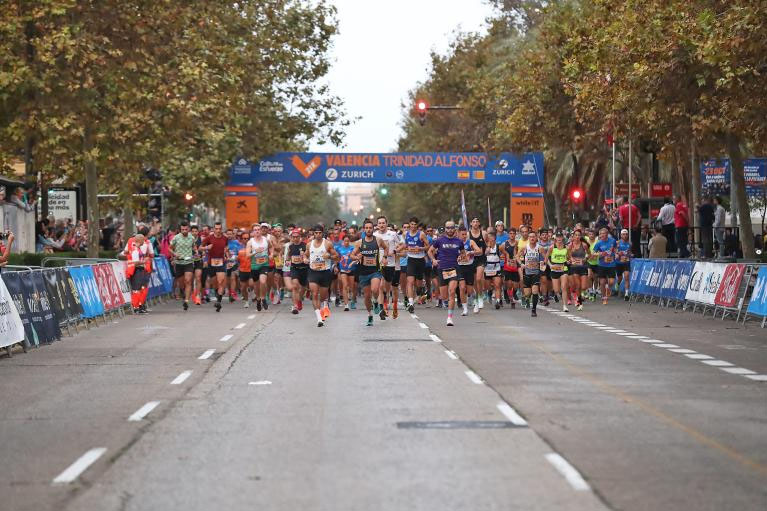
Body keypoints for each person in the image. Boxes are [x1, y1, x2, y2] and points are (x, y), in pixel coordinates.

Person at [351, 219, 388, 326]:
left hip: (375, 271)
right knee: (367, 296)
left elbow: (385, 248)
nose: (368, 230)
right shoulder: (359, 242)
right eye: (366, 228)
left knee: (375, 289)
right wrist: (356, 257)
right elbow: (352, 255)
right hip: (363, 273)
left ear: (373, 229)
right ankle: (370, 315)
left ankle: (376, 301)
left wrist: (385, 257)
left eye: (370, 228)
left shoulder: (378, 240)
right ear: (364, 229)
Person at [428, 221, 464, 326]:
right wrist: (433, 260)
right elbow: (430, 251)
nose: (450, 230)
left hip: (454, 268)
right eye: (447, 228)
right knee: (444, 296)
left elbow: (463, 253)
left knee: (452, 292)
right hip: (442, 269)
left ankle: (449, 318)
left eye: (452, 228)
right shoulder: (439, 240)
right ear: (445, 229)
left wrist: (461, 257)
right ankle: (446, 302)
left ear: (455, 229)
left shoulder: (459, 241)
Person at [307, 225, 338, 327]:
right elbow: (305, 255)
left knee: (323, 296)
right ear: (314, 234)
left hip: (325, 272)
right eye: (316, 233)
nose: (318, 234)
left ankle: (324, 305)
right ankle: (319, 318)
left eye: (320, 233)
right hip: (313, 271)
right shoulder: (309, 244)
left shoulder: (328, 244)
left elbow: (337, 257)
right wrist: (304, 259)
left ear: (322, 233)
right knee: (314, 293)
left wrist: (329, 256)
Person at [515, 230, 546, 317]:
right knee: (528, 293)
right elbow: (517, 256)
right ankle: (525, 297)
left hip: (536, 272)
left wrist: (542, 263)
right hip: (527, 273)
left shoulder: (539, 248)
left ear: (536, 238)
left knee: (535, 291)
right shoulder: (525, 248)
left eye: (533, 236)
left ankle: (534, 310)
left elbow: (545, 258)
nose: (532, 238)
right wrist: (521, 264)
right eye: (530, 237)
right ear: (528, 238)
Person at [123, 232, 154, 314]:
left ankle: (138, 306)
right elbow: (136, 262)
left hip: (137, 270)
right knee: (137, 289)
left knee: (139, 289)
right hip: (136, 270)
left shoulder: (137, 248)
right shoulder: (135, 250)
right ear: (139, 240)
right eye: (143, 240)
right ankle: (136, 307)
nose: (144, 242)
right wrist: (144, 261)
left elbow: (125, 253)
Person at [201, 222, 228, 312]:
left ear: (221, 229)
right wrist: (206, 248)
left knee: (221, 281)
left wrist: (226, 251)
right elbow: (200, 247)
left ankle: (218, 301)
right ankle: (217, 292)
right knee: (215, 283)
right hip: (211, 263)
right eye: (216, 228)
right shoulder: (209, 238)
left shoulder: (225, 238)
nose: (218, 230)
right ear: (213, 229)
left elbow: (226, 247)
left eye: (219, 228)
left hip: (221, 262)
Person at [404, 217, 429, 313]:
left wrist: (421, 248)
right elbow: (406, 246)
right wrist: (407, 249)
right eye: (412, 224)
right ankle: (410, 303)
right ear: (409, 224)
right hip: (411, 260)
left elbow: (428, 246)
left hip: (420, 260)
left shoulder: (421, 234)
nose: (413, 226)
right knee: (410, 281)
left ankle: (420, 291)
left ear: (417, 225)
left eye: (415, 224)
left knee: (418, 284)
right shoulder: (406, 234)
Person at [169, 221, 196, 310]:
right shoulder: (176, 238)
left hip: (188, 262)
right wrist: (174, 254)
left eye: (186, 229)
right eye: (182, 229)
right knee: (181, 283)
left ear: (188, 229)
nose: (184, 231)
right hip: (179, 262)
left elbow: (194, 247)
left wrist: (196, 252)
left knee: (188, 281)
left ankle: (186, 301)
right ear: (180, 230)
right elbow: (170, 248)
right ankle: (183, 292)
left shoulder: (191, 238)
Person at [592, 227, 617, 305]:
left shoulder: (612, 241)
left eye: (603, 233)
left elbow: (615, 249)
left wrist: (616, 253)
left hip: (611, 265)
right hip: (602, 265)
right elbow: (593, 253)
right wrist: (599, 254)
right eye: (600, 234)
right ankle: (604, 297)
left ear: (607, 234)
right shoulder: (598, 243)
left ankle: (609, 289)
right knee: (602, 282)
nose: (601, 235)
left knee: (611, 282)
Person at [545, 231, 569, 311]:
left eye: (560, 237)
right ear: (555, 238)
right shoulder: (552, 247)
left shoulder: (567, 247)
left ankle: (565, 306)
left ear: (562, 238)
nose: (559, 238)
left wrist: (569, 261)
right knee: (557, 290)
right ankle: (556, 294)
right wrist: (551, 265)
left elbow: (569, 257)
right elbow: (546, 258)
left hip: (563, 268)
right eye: (557, 237)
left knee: (564, 287)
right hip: (554, 269)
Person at [615, 229, 633, 300]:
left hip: (626, 262)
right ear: (621, 235)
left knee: (627, 276)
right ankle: (618, 283)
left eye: (626, 234)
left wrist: (630, 254)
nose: (625, 236)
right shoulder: (617, 243)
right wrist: (617, 254)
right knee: (620, 278)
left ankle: (626, 294)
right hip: (619, 263)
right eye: (623, 234)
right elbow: (615, 252)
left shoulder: (630, 243)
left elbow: (629, 252)